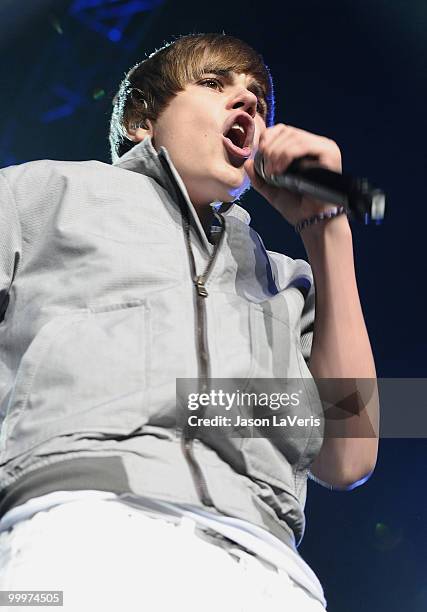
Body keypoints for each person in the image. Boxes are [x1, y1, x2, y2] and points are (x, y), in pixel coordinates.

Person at [0, 33, 379, 611]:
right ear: (141, 121)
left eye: (257, 96)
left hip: (267, 573)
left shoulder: (285, 281)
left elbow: (351, 453)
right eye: (213, 84)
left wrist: (328, 229)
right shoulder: (42, 193)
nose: (247, 103)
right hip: (78, 533)